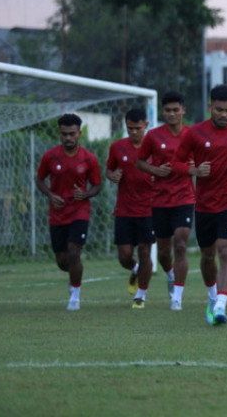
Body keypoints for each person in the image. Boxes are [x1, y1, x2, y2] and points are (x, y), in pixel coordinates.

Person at [173, 84, 227, 325]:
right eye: (219, 110)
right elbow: (177, 163)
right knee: (208, 255)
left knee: (226, 251)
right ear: (210, 107)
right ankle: (212, 296)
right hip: (204, 206)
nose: (224, 115)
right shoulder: (195, 133)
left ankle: (221, 305)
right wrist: (194, 170)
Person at [35, 113, 102, 311]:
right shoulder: (50, 156)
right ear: (60, 133)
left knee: (74, 251)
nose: (68, 138)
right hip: (57, 214)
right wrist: (50, 194)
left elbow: (97, 185)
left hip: (79, 211)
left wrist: (86, 194)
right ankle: (74, 276)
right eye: (64, 134)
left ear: (79, 133)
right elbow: (39, 179)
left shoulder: (89, 158)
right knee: (63, 261)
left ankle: (75, 296)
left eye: (72, 134)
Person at [136, 91, 195, 311]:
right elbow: (140, 162)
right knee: (163, 252)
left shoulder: (192, 135)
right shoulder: (153, 136)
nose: (171, 114)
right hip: (160, 200)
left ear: (183, 111)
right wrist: (155, 170)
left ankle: (177, 297)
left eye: (175, 110)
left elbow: (202, 161)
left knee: (180, 243)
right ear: (163, 112)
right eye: (168, 110)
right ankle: (170, 274)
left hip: (184, 197)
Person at [107, 108, 155, 308]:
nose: (134, 132)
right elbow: (109, 170)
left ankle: (140, 296)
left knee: (145, 252)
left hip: (149, 210)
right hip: (124, 210)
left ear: (146, 125)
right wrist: (113, 176)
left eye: (137, 128)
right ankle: (134, 269)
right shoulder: (117, 147)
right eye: (130, 128)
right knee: (124, 256)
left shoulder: (155, 147)